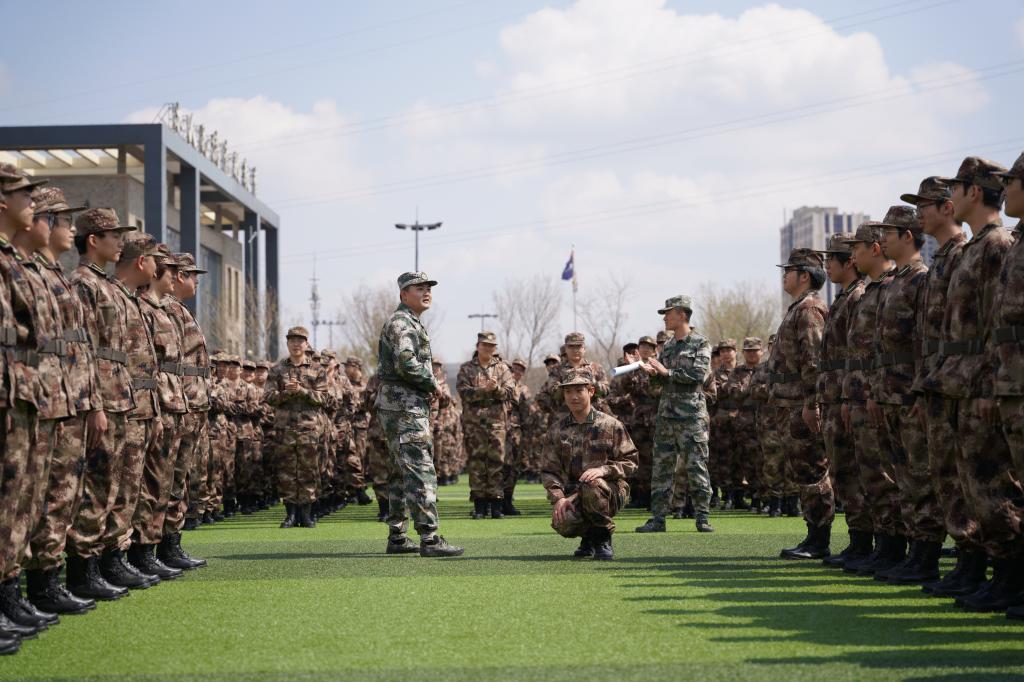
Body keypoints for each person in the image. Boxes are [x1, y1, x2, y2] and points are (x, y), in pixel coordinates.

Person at [925, 156, 1021, 611]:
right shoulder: (978, 247)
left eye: (956, 189)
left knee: (993, 482)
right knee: (973, 484)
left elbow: (991, 327)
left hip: (985, 382)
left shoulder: (998, 243)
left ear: (974, 192)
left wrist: (985, 383)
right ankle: (994, 572)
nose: (951, 198)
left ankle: (1009, 575)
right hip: (967, 382)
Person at [23, 187, 98, 616]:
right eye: (63, 220)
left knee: (59, 491)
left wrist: (88, 399)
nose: (70, 229)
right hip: (42, 396)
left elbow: (78, 349)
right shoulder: (33, 272)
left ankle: (46, 581)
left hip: (65, 397)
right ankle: (36, 584)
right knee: (36, 494)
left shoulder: (56, 277)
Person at [64, 209, 139, 603]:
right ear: (93, 239)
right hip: (101, 396)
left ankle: (108, 559)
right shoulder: (83, 284)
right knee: (95, 485)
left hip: (118, 393)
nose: (120, 242)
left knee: (113, 482)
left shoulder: (106, 285)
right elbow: (84, 349)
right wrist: (93, 403)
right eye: (113, 235)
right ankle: (82, 569)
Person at [871, 206, 940, 585]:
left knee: (919, 474)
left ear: (908, 236)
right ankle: (911, 551)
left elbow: (926, 341)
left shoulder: (919, 280)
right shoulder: (894, 282)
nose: (882, 240)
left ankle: (926, 555)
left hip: (910, 392)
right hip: (889, 392)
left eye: (889, 233)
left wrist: (921, 392)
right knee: (900, 476)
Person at [375, 272, 462, 557]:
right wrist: (431, 382)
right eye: (419, 288)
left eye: (428, 288)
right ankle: (430, 538)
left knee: (401, 472)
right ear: (403, 294)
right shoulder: (402, 322)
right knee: (419, 469)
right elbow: (406, 362)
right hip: (404, 406)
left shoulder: (409, 321)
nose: (426, 293)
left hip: (400, 405)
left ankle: (398, 536)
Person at [770, 248, 834, 560]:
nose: (784, 275)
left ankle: (819, 540)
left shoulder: (809, 309)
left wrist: (812, 403)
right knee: (803, 470)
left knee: (813, 470)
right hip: (791, 402)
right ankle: (813, 536)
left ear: (804, 276)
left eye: (789, 270)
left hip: (801, 404)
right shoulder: (798, 308)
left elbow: (813, 361)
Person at [636, 295, 714, 534]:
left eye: (668, 313)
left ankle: (702, 517)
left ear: (682, 314)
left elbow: (699, 376)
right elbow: (660, 383)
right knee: (662, 468)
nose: (664, 318)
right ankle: (658, 518)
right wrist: (653, 374)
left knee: (696, 466)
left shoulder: (701, 343)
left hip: (692, 416)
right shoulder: (668, 346)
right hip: (667, 416)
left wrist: (666, 372)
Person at [814, 234, 869, 569]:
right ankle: (858, 541)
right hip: (835, 396)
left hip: (847, 395)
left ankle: (865, 543)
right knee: (843, 472)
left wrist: (851, 396)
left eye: (831, 259)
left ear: (849, 261)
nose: (827, 267)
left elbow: (857, 354)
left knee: (856, 471)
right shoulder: (843, 298)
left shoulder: (858, 296)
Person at [542, 371, 637, 560]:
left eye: (579, 390)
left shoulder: (611, 425)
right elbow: (549, 471)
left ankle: (602, 537)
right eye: (568, 392)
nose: (574, 396)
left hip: (609, 490)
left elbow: (631, 462)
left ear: (591, 391)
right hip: (573, 492)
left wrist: (603, 470)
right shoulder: (556, 430)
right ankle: (588, 538)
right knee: (564, 521)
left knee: (590, 486)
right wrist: (559, 498)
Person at [990, 151, 1024, 619]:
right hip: (1007, 379)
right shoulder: (1014, 243)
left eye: (1011, 181)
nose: (1006, 190)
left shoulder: (1001, 242)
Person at [265, 327, 329, 529]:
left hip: (309, 428)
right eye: (292, 340)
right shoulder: (277, 370)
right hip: (285, 429)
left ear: (306, 344)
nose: (296, 344)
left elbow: (324, 398)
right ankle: (291, 514)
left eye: (300, 341)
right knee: (287, 471)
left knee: (309, 471)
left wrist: (302, 391)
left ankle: (307, 514)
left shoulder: (317, 369)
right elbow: (268, 397)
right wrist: (286, 393)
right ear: (287, 343)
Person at [457, 331, 515, 519]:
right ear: (478, 346)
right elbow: (463, 392)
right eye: (484, 345)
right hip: (474, 426)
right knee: (476, 464)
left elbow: (510, 393)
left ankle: (496, 505)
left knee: (497, 463)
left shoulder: (502, 369)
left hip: (497, 424)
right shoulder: (467, 368)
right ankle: (479, 507)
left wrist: (496, 389)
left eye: (491, 346)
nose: (488, 348)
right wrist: (483, 390)